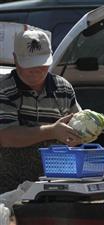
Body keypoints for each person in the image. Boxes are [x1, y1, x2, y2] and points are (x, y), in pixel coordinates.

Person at [0, 29, 83, 193]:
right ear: (15, 59)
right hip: (9, 188)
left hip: (55, 185)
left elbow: (79, 126)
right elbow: (7, 136)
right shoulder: (4, 88)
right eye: (30, 65)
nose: (36, 70)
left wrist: (82, 133)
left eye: (42, 63)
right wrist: (52, 131)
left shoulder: (64, 88)